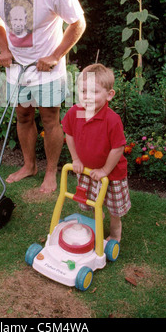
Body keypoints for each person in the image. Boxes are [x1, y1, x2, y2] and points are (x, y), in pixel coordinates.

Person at [0, 0, 86, 193]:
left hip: (48, 68)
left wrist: (55, 55)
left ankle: (50, 172)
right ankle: (29, 165)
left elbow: (78, 23)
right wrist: (3, 48)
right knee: (23, 115)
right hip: (17, 69)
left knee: (50, 119)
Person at [62, 63, 131, 241]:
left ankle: (115, 235)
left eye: (94, 92)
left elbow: (118, 148)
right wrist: (75, 159)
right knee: (92, 203)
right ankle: (96, 228)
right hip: (87, 171)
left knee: (114, 209)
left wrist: (105, 171)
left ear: (109, 95)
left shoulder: (112, 120)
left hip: (112, 174)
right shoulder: (75, 113)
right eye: (84, 91)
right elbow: (69, 134)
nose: (88, 97)